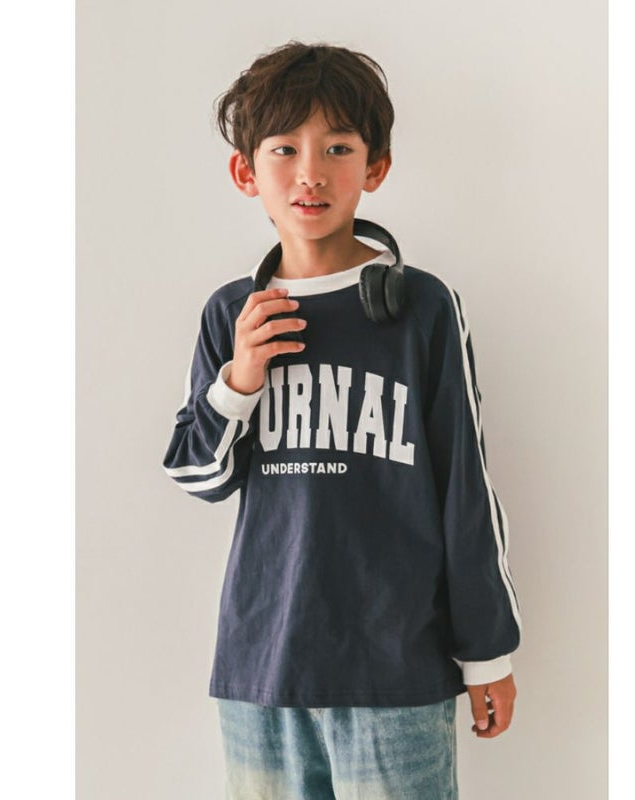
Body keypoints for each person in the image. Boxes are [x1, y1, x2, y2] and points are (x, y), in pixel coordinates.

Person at [162, 40, 522, 799]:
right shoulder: (233, 313)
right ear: (245, 171)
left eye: (337, 148)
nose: (310, 173)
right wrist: (239, 379)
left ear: (375, 167)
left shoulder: (421, 307)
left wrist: (487, 653)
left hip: (396, 668)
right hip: (262, 665)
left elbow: (466, 487)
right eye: (284, 149)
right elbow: (199, 476)